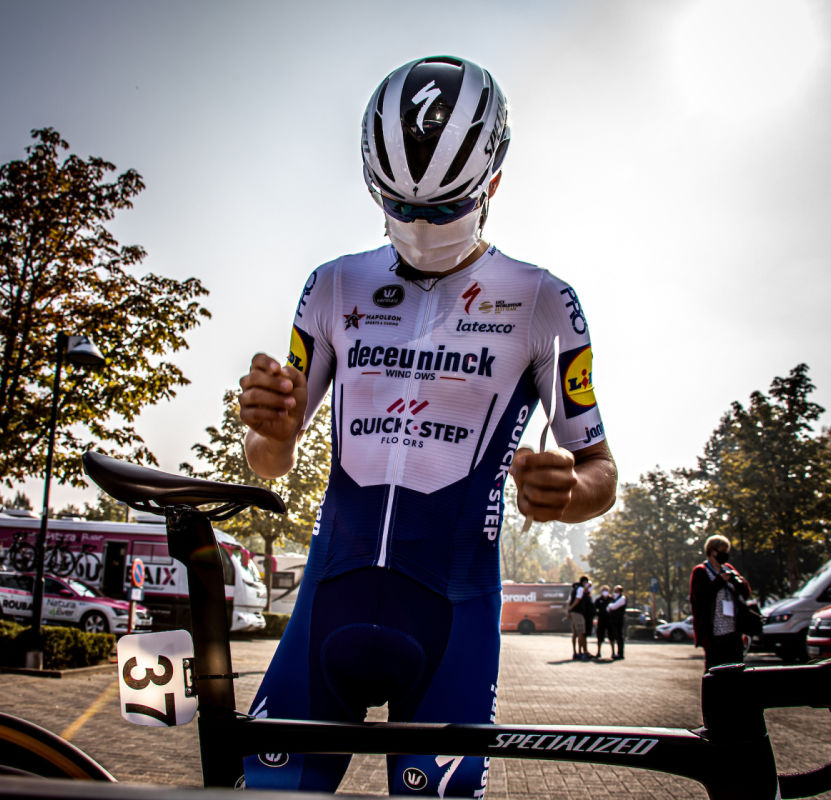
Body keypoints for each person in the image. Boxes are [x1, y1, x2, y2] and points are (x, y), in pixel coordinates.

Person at [237, 55, 617, 795]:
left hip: (451, 620)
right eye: (396, 204)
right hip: (328, 604)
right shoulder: (331, 284)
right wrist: (274, 434)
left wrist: (569, 493)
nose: (417, 226)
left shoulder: (544, 300)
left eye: (443, 209)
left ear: (493, 184)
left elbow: (601, 471)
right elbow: (269, 460)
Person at [689, 535, 752, 671]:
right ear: (712, 551)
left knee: (736, 669)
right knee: (714, 670)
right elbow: (699, 598)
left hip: (733, 630)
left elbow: (745, 593)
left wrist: (739, 582)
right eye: (722, 551)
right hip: (713, 633)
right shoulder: (700, 571)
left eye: (726, 551)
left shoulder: (728, 568)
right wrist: (719, 581)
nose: (725, 554)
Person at [567, 577, 593, 661]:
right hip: (578, 613)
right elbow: (578, 599)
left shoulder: (573, 590)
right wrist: (571, 607)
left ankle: (575, 652)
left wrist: (569, 610)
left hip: (573, 613)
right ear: (584, 582)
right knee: (581, 632)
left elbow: (569, 601)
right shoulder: (580, 589)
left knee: (575, 633)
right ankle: (581, 652)